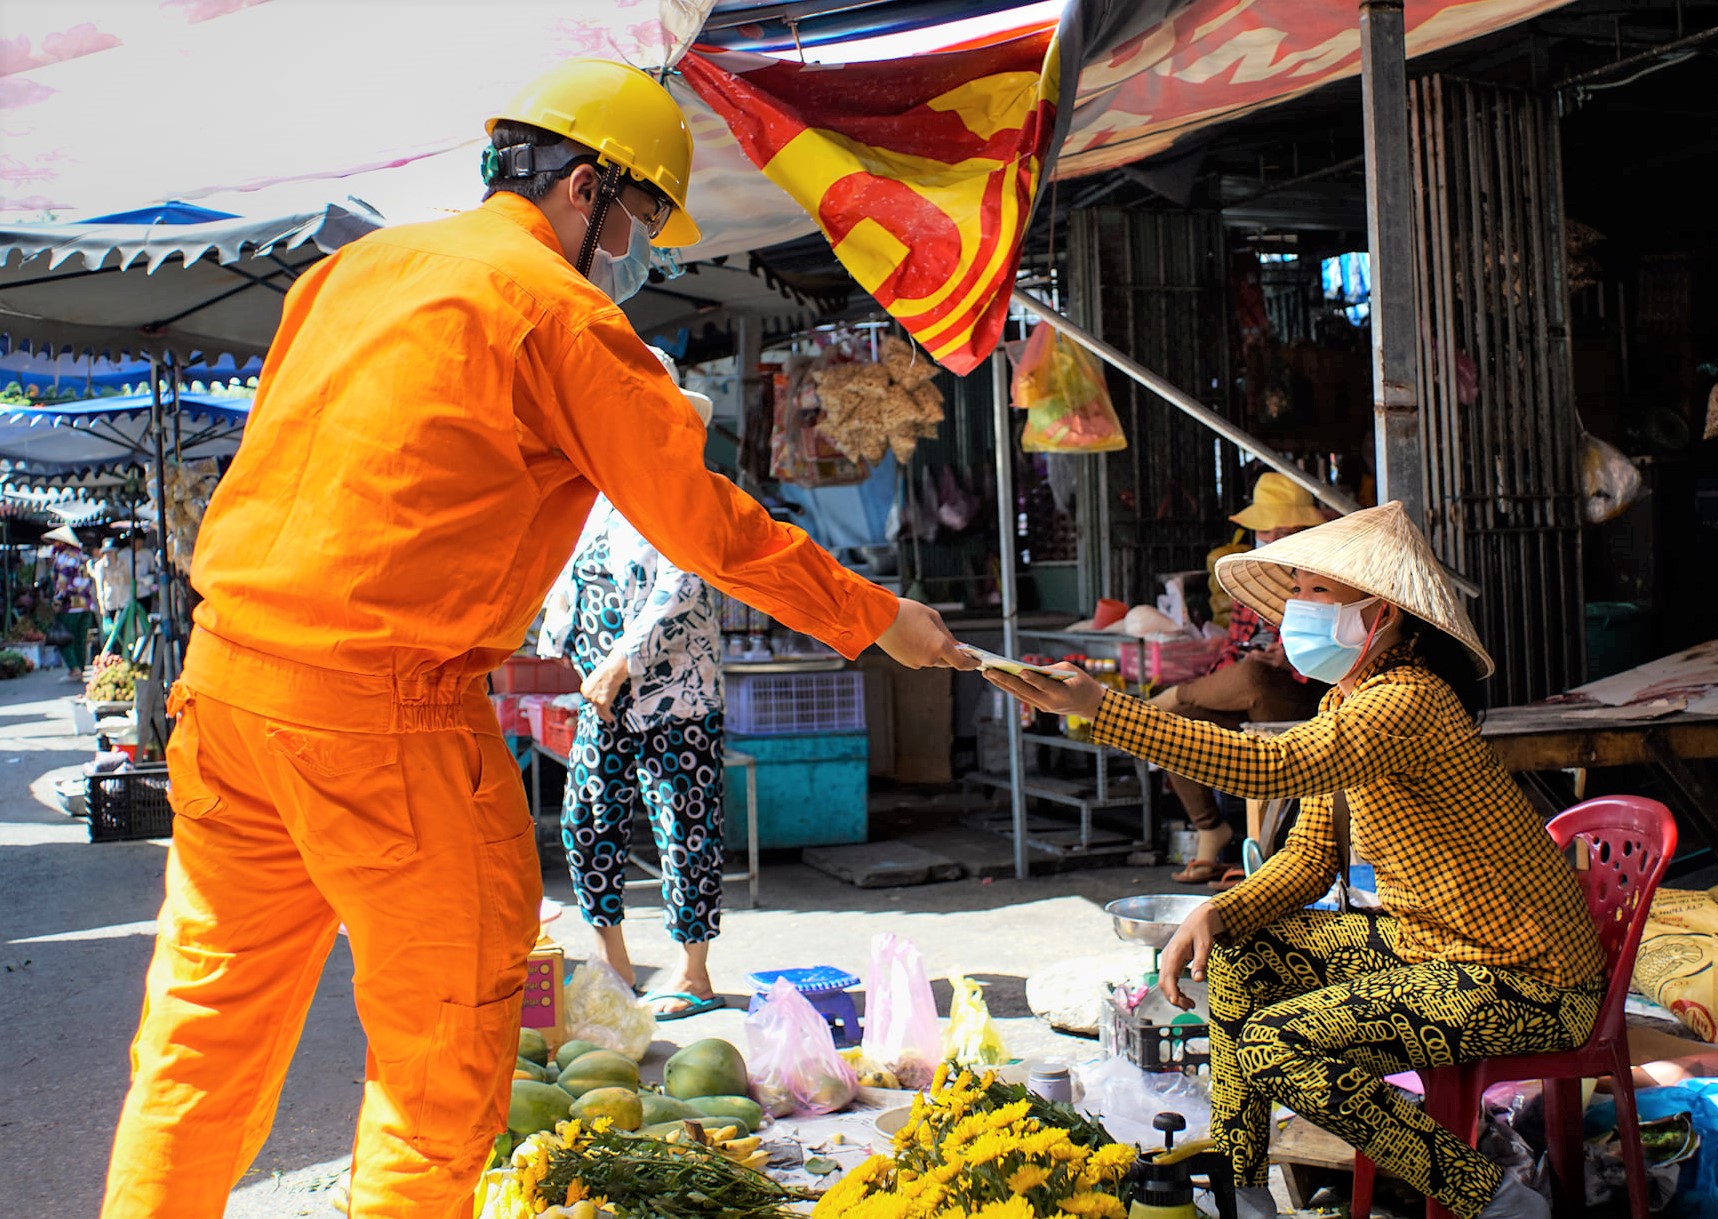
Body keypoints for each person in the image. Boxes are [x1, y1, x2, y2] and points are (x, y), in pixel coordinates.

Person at [102, 59, 973, 1219]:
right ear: (583, 187)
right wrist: (879, 618)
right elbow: (702, 524)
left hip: (226, 692)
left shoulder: (352, 272)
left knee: (198, 1037)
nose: (639, 248)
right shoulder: (561, 315)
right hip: (384, 717)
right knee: (439, 1061)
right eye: (642, 218)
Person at [983, 502, 1605, 1219]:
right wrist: (1218, 911)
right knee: (1240, 955)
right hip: (1432, 948)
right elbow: (1311, 857)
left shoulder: (1407, 701)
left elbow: (1267, 765)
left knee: (1276, 1044)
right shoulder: (1351, 699)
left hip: (1525, 978)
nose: (1298, 609)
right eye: (1298, 589)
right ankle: (1241, 1189)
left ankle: (1493, 1197)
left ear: (1386, 613)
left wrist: (1111, 709)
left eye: (1318, 593)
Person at [538, 378, 728, 1020]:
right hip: (601, 696)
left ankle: (694, 974)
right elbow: (568, 574)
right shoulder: (598, 495)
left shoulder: (683, 489)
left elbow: (686, 584)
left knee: (685, 829)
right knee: (587, 822)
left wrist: (622, 661)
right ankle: (614, 960)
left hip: (675, 695)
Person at [1151, 473, 1327, 885]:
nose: (1272, 536)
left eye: (1283, 529)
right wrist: (1217, 688)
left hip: (1303, 696)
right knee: (1178, 728)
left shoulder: (1324, 572)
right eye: (1266, 528)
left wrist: (1287, 659)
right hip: (1249, 688)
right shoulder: (1250, 577)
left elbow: (1335, 650)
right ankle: (1211, 830)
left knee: (1253, 675)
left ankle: (1170, 697)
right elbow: (1234, 646)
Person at [45, 527, 96, 681]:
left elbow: (63, 583)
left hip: (70, 606)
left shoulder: (63, 558)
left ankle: (74, 669)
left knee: (64, 638)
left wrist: (57, 600)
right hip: (86, 605)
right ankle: (79, 669)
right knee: (80, 640)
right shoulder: (81, 557)